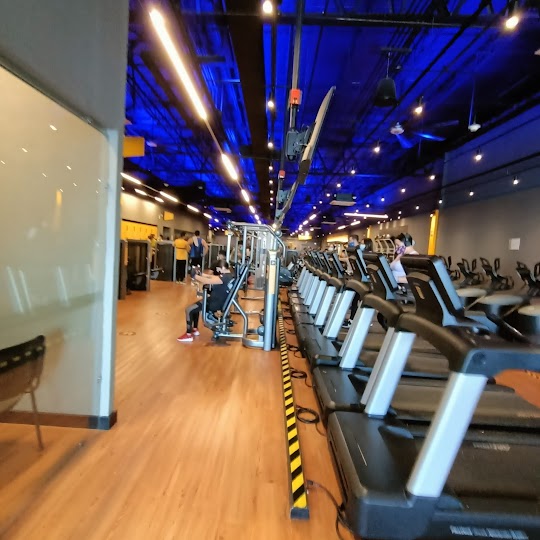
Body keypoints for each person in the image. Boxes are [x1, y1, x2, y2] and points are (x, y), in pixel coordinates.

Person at [177, 261, 234, 342]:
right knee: (194, 308)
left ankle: (188, 335)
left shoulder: (225, 278)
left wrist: (195, 276)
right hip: (216, 301)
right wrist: (201, 274)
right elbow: (212, 277)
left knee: (189, 310)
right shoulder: (229, 276)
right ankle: (195, 329)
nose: (218, 271)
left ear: (223, 268)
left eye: (218, 269)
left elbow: (208, 281)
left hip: (215, 303)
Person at [346, 238, 374, 327]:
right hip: (361, 279)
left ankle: (362, 320)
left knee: (362, 301)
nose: (360, 245)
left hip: (366, 281)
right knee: (355, 300)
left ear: (367, 244)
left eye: (362, 243)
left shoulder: (369, 255)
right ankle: (352, 319)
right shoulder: (361, 254)